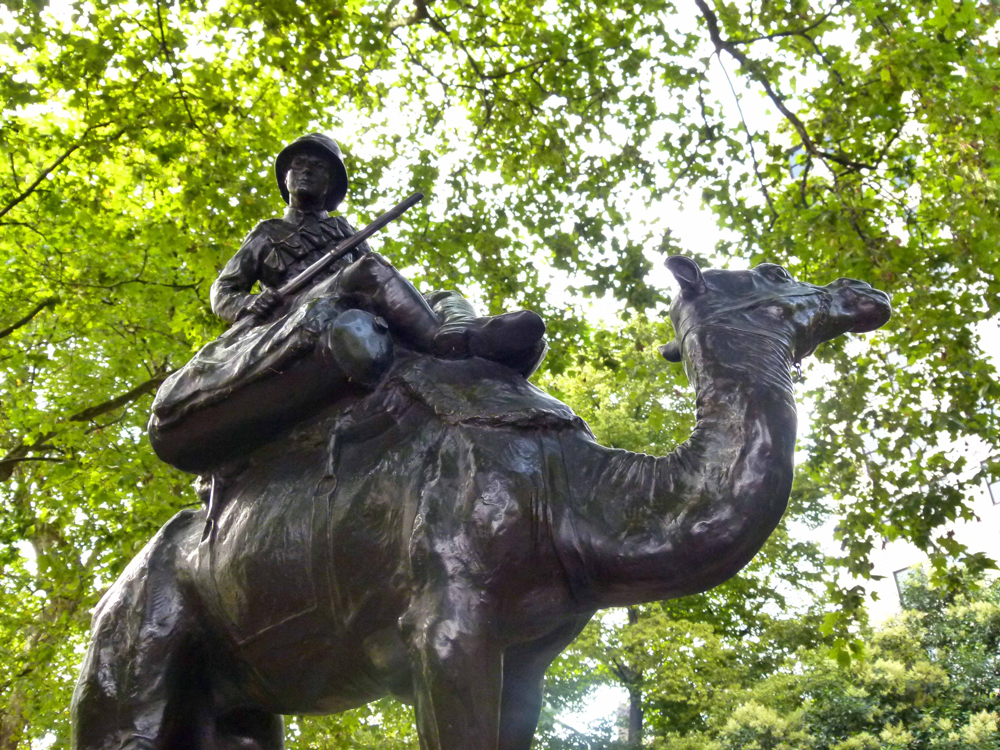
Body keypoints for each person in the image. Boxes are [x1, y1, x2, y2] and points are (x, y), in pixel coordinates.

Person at [148, 133, 547, 472]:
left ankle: (468, 332)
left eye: (319, 168)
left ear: (331, 187)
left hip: (349, 296)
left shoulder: (344, 231)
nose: (307, 171)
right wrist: (247, 306)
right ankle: (443, 340)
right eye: (299, 165)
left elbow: (384, 285)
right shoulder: (266, 233)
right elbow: (225, 291)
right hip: (294, 310)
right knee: (368, 271)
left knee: (441, 295)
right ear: (286, 178)